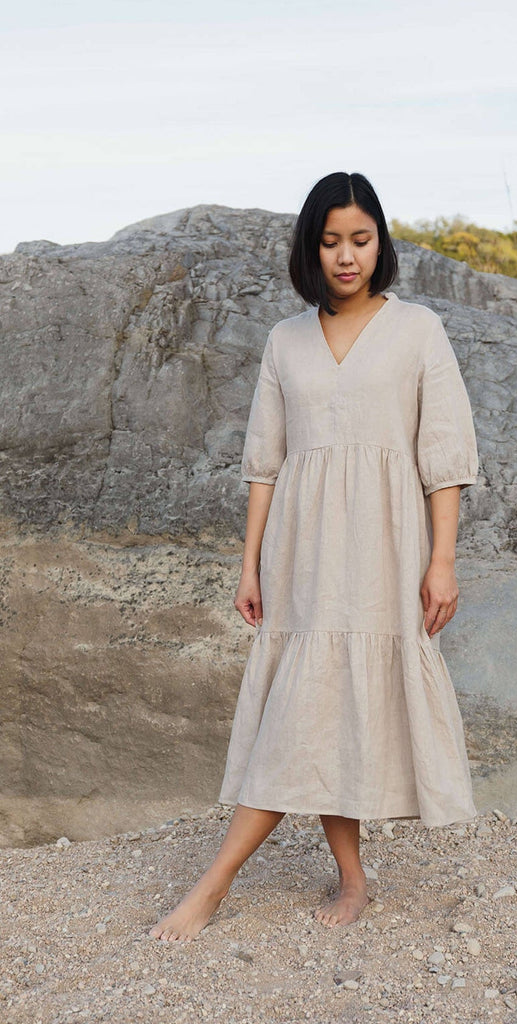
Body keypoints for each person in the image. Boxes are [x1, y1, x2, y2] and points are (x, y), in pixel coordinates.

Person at [148, 171, 479, 942]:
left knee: (328, 703)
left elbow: (444, 457)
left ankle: (215, 882)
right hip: (303, 551)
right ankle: (349, 879)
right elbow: (264, 463)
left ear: (380, 243)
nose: (345, 256)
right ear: (310, 248)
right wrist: (249, 565)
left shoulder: (419, 330)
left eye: (359, 239)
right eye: (329, 241)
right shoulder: (284, 341)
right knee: (312, 702)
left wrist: (442, 561)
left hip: (384, 548)